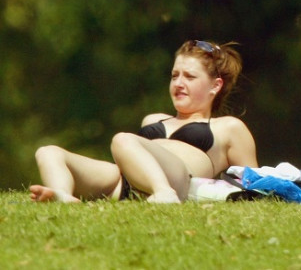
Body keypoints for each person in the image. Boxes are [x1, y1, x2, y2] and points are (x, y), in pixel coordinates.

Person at [30, 40, 258, 203]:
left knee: (122, 140)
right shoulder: (154, 119)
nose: (178, 83)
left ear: (215, 86)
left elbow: (255, 183)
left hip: (178, 181)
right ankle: (62, 196)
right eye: (174, 75)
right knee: (48, 151)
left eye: (189, 77)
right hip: (126, 182)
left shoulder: (228, 127)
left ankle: (164, 193)